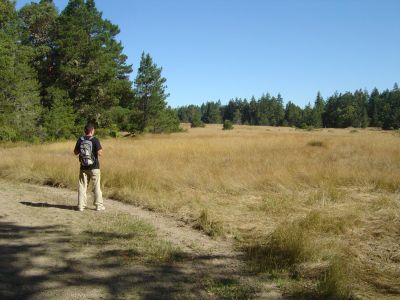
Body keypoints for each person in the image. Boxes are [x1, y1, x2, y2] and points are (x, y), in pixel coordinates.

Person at [73, 123, 104, 211]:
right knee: (96, 186)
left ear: (85, 131)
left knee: (82, 186)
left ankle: (81, 206)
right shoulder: (95, 140)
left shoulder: (80, 139)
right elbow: (100, 153)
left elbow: (75, 152)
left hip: (83, 167)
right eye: (94, 130)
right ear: (91, 131)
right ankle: (99, 206)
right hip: (94, 167)